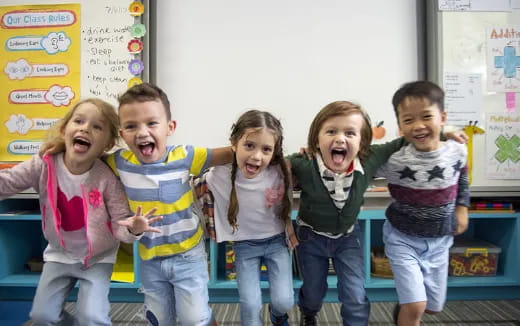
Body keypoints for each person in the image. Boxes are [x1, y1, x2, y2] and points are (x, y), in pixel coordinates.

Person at [0, 98, 162, 326]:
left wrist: (134, 230)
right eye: (79, 121)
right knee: (42, 317)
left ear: (106, 144)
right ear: (65, 129)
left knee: (92, 317)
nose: (85, 128)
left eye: (97, 127)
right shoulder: (44, 164)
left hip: (98, 258)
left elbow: (120, 223)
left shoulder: (106, 178)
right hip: (59, 253)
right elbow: (7, 183)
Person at [105, 83, 232, 325]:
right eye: (131, 126)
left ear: (170, 127)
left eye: (152, 123)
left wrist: (277, 152)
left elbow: (229, 153)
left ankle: (205, 316)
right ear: (122, 134)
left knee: (194, 320)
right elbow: (88, 157)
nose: (142, 133)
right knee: (160, 320)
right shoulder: (119, 162)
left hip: (188, 255)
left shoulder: (185, 156)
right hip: (150, 258)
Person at [288, 100, 409, 326]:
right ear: (316, 139)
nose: (340, 138)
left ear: (362, 142)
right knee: (314, 291)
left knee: (354, 293)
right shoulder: (304, 163)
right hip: (310, 237)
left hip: (348, 238)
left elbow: (401, 142)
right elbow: (276, 164)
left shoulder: (369, 158)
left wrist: (445, 135)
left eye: (350, 133)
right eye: (331, 131)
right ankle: (308, 313)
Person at [377, 80, 469, 326]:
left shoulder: (457, 150)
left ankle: (407, 309)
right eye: (408, 120)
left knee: (432, 307)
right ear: (399, 126)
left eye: (426, 116)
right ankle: (410, 306)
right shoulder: (394, 161)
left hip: (440, 241)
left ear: (443, 117)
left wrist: (462, 208)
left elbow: (463, 176)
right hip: (402, 239)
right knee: (416, 305)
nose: (418, 126)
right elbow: (361, 161)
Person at [194, 110, 298, 326]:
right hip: (244, 247)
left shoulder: (281, 170)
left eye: (266, 149)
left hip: (277, 243)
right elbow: (189, 166)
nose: (257, 156)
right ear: (234, 143)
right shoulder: (220, 173)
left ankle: (278, 316)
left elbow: (311, 165)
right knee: (250, 307)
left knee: (285, 301)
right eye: (249, 145)